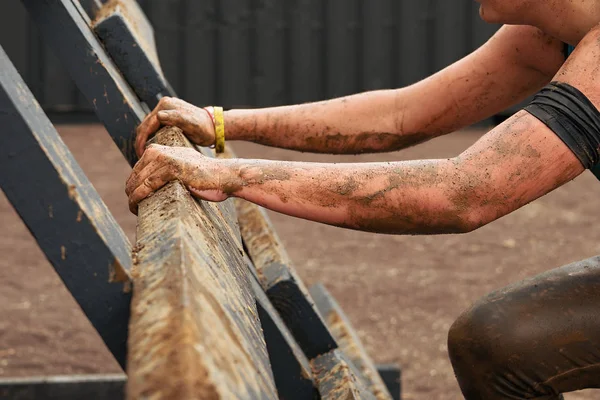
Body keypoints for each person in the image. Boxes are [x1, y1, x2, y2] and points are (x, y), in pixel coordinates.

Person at [126, 0, 600, 398]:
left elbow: (465, 192)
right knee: (495, 341)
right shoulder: (545, 36)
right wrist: (223, 124)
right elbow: (401, 115)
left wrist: (229, 174)